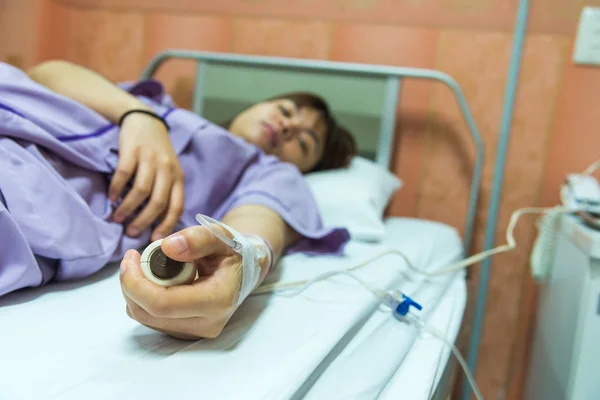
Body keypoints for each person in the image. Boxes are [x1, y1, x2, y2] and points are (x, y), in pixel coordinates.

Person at [0, 60, 357, 339]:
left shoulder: (269, 173)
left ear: (304, 168)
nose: (287, 126)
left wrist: (242, 262)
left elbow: (258, 225)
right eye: (286, 109)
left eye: (305, 142)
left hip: (38, 189)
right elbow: (46, 73)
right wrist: (140, 116)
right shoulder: (156, 104)